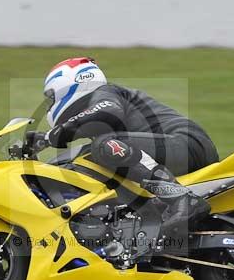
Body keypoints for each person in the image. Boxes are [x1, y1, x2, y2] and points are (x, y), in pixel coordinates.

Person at [33, 56, 219, 232]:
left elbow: (107, 112)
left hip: (186, 143)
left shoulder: (105, 94)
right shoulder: (103, 121)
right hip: (178, 150)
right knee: (91, 156)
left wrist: (52, 136)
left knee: (104, 146)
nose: (50, 105)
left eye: (51, 97)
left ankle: (182, 200)